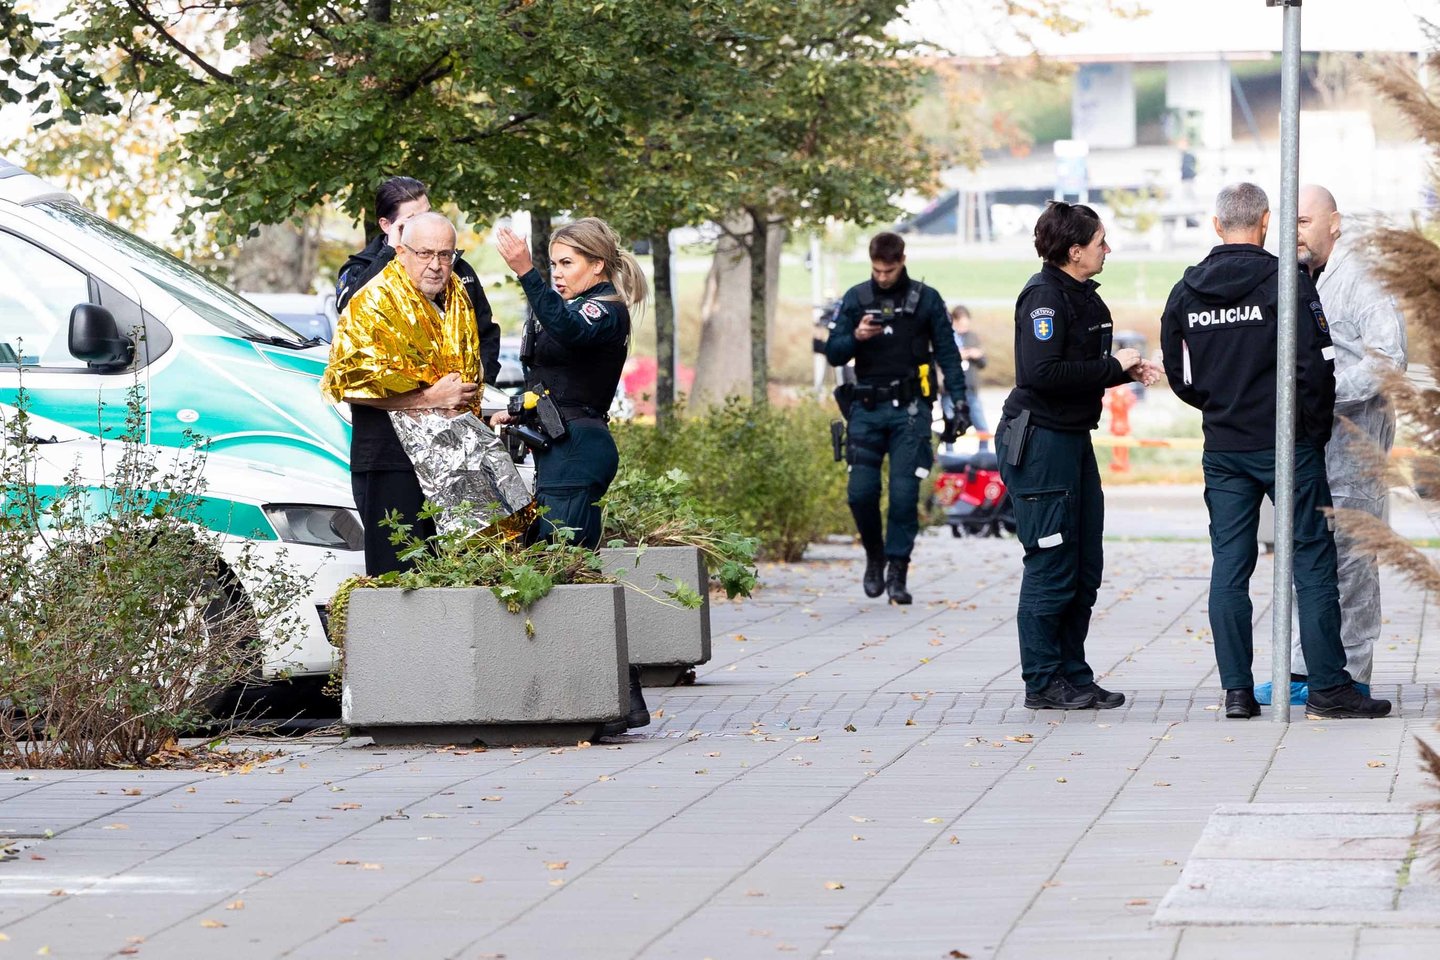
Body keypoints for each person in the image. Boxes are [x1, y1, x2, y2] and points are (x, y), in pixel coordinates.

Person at [1159, 182, 1391, 720]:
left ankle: (1237, 692)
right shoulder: (1286, 281)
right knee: (1312, 562)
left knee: (1229, 567)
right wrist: (1307, 430)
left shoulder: (1186, 291)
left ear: (1217, 225)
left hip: (1224, 448)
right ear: (1265, 222)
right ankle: (1331, 688)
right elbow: (1315, 369)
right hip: (1285, 445)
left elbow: (1180, 373)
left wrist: (1218, 408)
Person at [995, 201, 1156, 711]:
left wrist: (1122, 370)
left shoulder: (1081, 295)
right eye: (1101, 241)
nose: (1107, 249)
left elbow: (1079, 365)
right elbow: (1041, 374)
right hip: (1041, 442)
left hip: (1071, 439)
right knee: (1051, 562)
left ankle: (1073, 673)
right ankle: (1043, 681)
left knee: (1084, 564)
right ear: (1074, 250)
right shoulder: (1044, 297)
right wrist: (1113, 367)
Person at [492, 217, 651, 733]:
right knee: (569, 571)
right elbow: (553, 376)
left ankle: (612, 702)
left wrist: (526, 272)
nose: (557, 274)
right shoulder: (568, 306)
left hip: (579, 449)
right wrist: (517, 409)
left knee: (563, 571)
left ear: (597, 266)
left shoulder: (605, 310)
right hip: (560, 446)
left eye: (567, 264)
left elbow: (570, 331)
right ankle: (618, 700)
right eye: (553, 263)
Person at [1258, 185, 1408, 705]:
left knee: (1352, 557)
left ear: (1335, 223)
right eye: (1286, 224)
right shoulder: (1292, 277)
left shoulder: (1363, 277)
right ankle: (1306, 668)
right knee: (1309, 554)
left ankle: (1352, 672)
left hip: (1354, 436)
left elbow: (1388, 357)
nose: (1292, 234)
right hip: (1304, 437)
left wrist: (1323, 394)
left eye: (1302, 222)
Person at [321, 212, 482, 575]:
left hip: (449, 458)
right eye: (425, 254)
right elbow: (348, 386)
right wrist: (430, 399)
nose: (436, 265)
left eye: (446, 255)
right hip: (390, 460)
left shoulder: (457, 297)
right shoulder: (372, 302)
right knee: (399, 582)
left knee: (452, 576)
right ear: (401, 252)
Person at [823, 232, 968, 605]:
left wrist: (959, 405)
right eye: (876, 270)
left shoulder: (926, 300)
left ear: (902, 260)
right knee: (860, 494)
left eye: (889, 270)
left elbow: (949, 355)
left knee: (904, 497)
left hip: (911, 412)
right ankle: (875, 556)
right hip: (866, 409)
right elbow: (835, 353)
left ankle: (898, 571)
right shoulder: (856, 299)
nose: (883, 277)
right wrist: (856, 335)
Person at [336, 176, 501, 385]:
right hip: (392, 397)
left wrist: (481, 383)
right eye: (413, 220)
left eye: (429, 214)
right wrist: (389, 252)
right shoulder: (362, 267)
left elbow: (486, 332)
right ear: (387, 225)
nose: (426, 224)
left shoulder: (454, 267)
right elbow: (351, 311)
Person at [948, 304, 990, 452]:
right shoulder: (946, 335)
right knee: (951, 426)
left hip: (970, 390)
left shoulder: (972, 337)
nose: (963, 328)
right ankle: (949, 458)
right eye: (960, 324)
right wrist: (956, 356)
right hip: (950, 391)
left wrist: (977, 355)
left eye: (966, 324)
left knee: (982, 427)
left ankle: (983, 456)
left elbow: (983, 363)